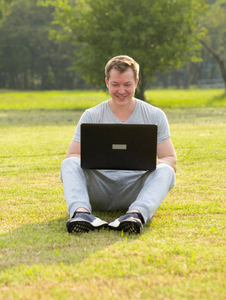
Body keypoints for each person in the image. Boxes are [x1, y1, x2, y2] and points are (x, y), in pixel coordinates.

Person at [61, 55, 177, 234]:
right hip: (99, 189)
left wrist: (145, 162)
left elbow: (170, 159)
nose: (121, 90)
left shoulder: (155, 115)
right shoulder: (91, 115)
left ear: (136, 82)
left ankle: (135, 215)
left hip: (135, 189)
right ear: (107, 82)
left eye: (127, 84)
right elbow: (72, 155)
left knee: (166, 170)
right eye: (115, 84)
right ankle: (81, 214)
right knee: (68, 163)